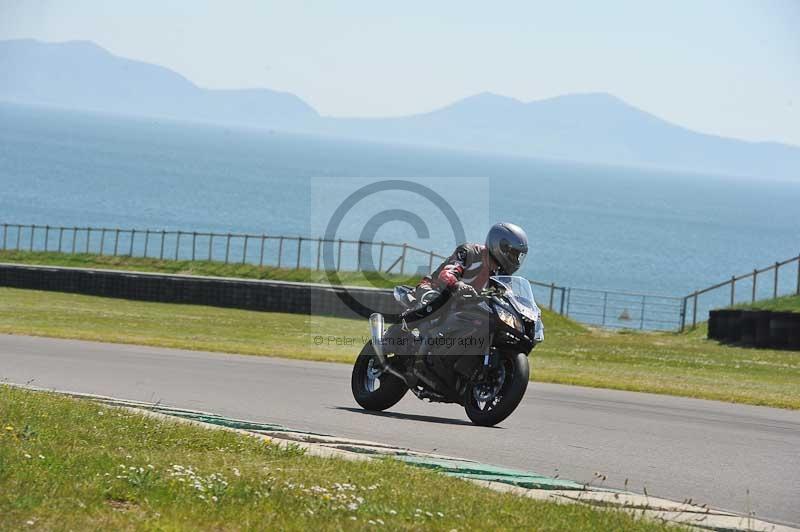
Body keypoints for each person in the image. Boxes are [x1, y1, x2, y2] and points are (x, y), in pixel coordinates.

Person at [414, 222, 529, 305]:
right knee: (431, 306)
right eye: (513, 254)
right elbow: (446, 275)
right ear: (500, 247)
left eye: (518, 256)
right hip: (434, 289)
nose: (515, 260)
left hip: (462, 304)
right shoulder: (469, 253)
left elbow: (508, 293)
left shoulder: (500, 272)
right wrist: (460, 285)